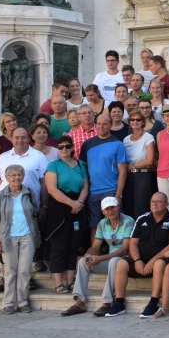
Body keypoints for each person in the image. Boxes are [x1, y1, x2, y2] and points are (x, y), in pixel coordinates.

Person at [106, 192, 169, 318]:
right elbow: (133, 242)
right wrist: (137, 260)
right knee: (121, 263)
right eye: (152, 201)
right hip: (141, 261)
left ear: (166, 204)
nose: (155, 204)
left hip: (161, 261)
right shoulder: (142, 219)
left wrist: (151, 261)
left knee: (158, 263)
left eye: (158, 201)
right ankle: (119, 303)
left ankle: (153, 302)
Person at [61, 196, 134, 317]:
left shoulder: (128, 221)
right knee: (82, 262)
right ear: (102, 211)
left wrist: (100, 258)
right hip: (111, 260)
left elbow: (125, 249)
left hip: (126, 260)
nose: (110, 211)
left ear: (118, 207)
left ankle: (107, 302)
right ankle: (79, 302)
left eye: (112, 207)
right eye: (107, 209)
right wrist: (89, 254)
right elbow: (95, 246)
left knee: (114, 261)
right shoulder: (102, 223)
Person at [0, 165, 39, 314]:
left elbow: (34, 215)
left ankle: (23, 301)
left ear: (23, 177)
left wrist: (38, 234)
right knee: (10, 271)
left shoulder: (28, 193)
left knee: (24, 270)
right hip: (8, 237)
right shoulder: (1, 195)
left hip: (27, 236)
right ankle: (9, 303)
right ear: (7, 178)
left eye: (19, 175)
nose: (16, 178)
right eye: (13, 175)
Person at [43, 135, 88, 293]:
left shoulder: (80, 164)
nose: (64, 149)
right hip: (60, 207)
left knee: (73, 245)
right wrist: (71, 203)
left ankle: (70, 281)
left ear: (72, 148)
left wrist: (79, 203)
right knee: (59, 245)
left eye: (67, 146)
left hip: (77, 207)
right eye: (60, 147)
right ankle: (58, 282)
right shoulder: (53, 165)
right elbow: (52, 189)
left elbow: (85, 186)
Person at [80, 114, 127, 235]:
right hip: (93, 191)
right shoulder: (87, 144)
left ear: (111, 125)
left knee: (115, 223)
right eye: (99, 124)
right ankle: (95, 250)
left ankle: (117, 251)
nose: (101, 126)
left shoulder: (118, 144)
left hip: (111, 190)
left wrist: (119, 195)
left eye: (105, 124)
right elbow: (83, 168)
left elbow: (122, 171)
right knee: (94, 225)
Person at [122, 110, 155, 218]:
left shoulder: (148, 137)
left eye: (138, 119)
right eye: (132, 119)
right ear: (129, 122)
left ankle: (140, 233)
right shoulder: (125, 140)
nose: (135, 122)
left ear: (142, 122)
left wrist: (132, 166)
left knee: (140, 208)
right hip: (128, 177)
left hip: (142, 175)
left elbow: (149, 160)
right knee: (128, 208)